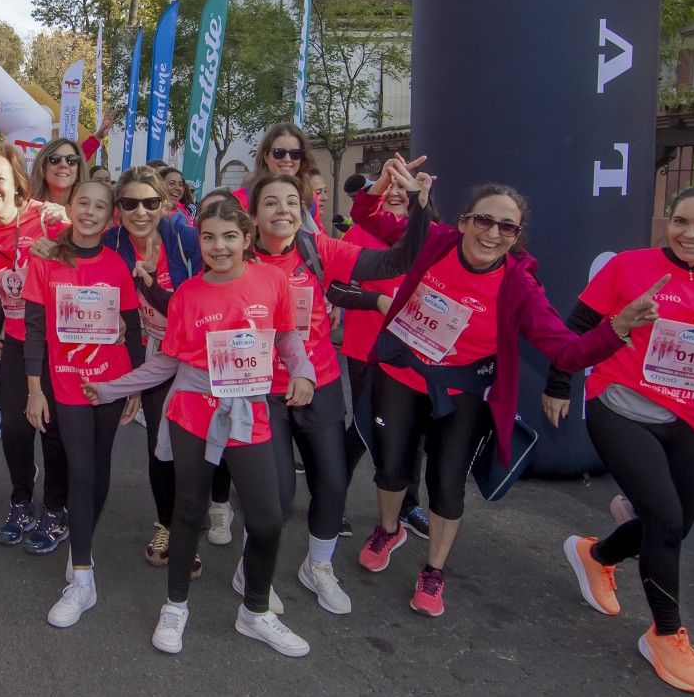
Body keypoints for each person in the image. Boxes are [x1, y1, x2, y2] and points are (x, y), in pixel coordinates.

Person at [351, 155, 665, 618]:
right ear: (463, 222)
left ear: (517, 235)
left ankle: (434, 569)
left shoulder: (519, 286)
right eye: (483, 220)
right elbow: (367, 217)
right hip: (401, 372)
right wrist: (378, 187)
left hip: (463, 391)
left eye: (507, 227)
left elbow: (567, 351)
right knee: (391, 468)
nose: (492, 233)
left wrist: (616, 326)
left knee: (447, 484)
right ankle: (388, 528)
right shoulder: (432, 241)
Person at [548, 182, 694, 696]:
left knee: (678, 523)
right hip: (620, 404)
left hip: (687, 417)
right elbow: (574, 326)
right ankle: (666, 635)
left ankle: (596, 556)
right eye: (680, 220)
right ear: (667, 220)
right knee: (664, 518)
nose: (690, 233)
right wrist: (557, 384)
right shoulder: (630, 266)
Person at [84, 198, 317, 657]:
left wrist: (303, 371)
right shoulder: (188, 294)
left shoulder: (271, 280)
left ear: (247, 240)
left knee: (268, 517)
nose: (218, 246)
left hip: (248, 410)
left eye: (229, 236)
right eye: (208, 237)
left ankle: (255, 611)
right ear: (200, 241)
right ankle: (175, 606)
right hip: (194, 409)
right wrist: (112, 388)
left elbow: (288, 335)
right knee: (187, 511)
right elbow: (167, 362)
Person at [247, 166, 429, 615]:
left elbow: (396, 261)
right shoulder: (238, 258)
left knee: (331, 481)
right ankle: (253, 573)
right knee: (276, 495)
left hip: (321, 383)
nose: (282, 210)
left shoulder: (316, 248)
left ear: (304, 211)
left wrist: (418, 203)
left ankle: (319, 567)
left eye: (292, 203)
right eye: (271, 202)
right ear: (253, 216)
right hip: (260, 389)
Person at [24, 180, 143, 626]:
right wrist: (35, 390)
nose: (90, 212)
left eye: (100, 206)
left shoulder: (116, 263)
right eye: (83, 203)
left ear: (111, 215)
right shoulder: (46, 258)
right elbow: (35, 328)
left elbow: (132, 329)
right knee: (81, 468)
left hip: (109, 384)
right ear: (69, 208)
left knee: (100, 466)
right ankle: (82, 579)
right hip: (67, 383)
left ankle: (81, 546)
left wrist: (132, 386)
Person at [99, 167, 203, 573]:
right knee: (160, 444)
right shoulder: (111, 242)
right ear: (118, 208)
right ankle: (169, 525)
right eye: (129, 203)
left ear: (166, 203)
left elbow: (197, 308)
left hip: (190, 353)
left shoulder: (187, 240)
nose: (140, 212)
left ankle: (189, 527)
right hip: (144, 351)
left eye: (150, 203)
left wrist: (150, 287)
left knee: (189, 445)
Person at [0, 144, 71, 553]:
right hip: (14, 339)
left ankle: (55, 509)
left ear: (17, 183)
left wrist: (61, 249)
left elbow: (86, 265)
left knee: (51, 428)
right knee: (13, 428)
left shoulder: (47, 218)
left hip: (56, 343)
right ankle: (20, 500)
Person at [339, 169, 433, 540]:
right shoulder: (360, 232)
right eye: (390, 185)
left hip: (415, 350)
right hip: (368, 346)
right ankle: (333, 501)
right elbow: (338, 289)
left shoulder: (427, 233)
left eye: (403, 187)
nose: (396, 192)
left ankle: (409, 504)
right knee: (364, 427)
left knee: (414, 431)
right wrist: (378, 301)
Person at [233, 123, 319, 230]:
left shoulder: (310, 197)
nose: (287, 159)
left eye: (295, 154)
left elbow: (321, 239)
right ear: (266, 156)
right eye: (279, 153)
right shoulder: (240, 199)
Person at [29, 137, 86, 209]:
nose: (63, 165)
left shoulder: (89, 212)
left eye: (72, 159)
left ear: (78, 170)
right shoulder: (24, 209)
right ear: (42, 168)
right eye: (54, 159)